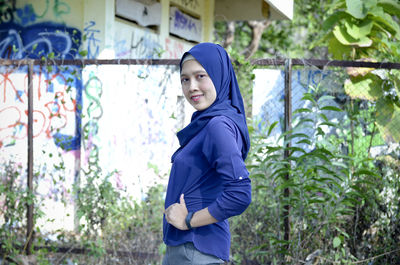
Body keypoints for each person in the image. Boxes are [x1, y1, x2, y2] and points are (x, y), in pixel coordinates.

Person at [163, 42, 252, 265]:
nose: (192, 86)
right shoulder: (207, 123)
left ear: (219, 75)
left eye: (200, 76)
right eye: (185, 79)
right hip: (190, 249)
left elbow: (240, 193)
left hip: (195, 250)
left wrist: (188, 220)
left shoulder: (217, 126)